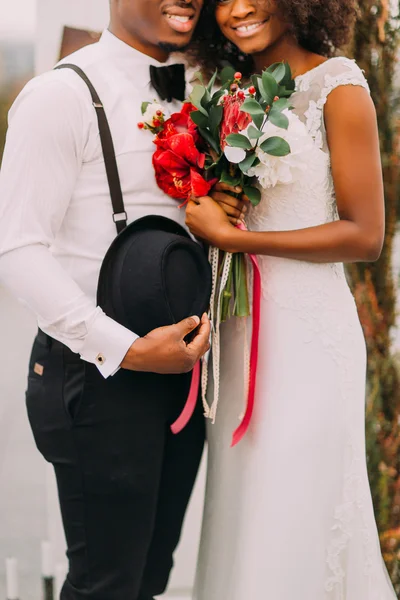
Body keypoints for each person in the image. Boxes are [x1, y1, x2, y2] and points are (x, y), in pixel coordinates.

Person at [185, 0, 398, 598]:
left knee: (298, 504)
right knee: (246, 509)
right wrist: (206, 208)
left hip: (309, 339)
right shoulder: (224, 93)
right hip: (239, 335)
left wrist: (231, 234)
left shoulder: (339, 86)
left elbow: (366, 235)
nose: (239, 9)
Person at [0, 1, 212, 599]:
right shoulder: (58, 96)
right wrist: (128, 349)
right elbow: (17, 250)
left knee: (148, 578)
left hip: (178, 378)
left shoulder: (197, 93)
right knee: (106, 586)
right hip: (97, 378)